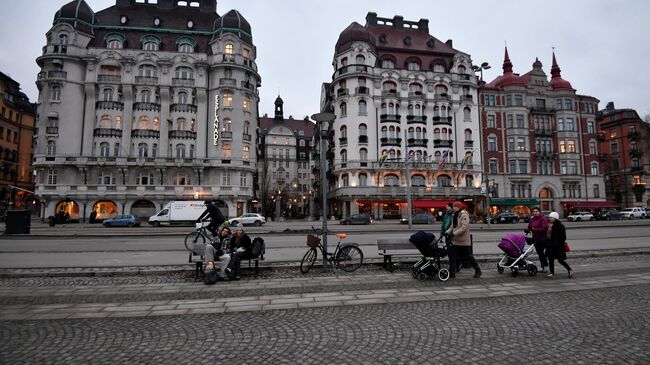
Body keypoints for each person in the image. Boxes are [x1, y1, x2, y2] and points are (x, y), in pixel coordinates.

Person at [446, 201, 481, 278]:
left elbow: (464, 227)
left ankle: (477, 270)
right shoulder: (455, 215)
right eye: (453, 206)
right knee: (453, 256)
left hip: (463, 240)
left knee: (468, 256)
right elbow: (452, 226)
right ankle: (452, 272)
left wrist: (454, 233)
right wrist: (447, 232)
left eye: (455, 207)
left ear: (458, 207)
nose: (453, 208)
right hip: (455, 240)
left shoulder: (464, 215)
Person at [545, 212, 574, 279]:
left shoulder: (560, 225)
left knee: (560, 260)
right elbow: (547, 235)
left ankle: (570, 270)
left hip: (557, 246)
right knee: (550, 260)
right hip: (550, 245)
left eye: (551, 217)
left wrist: (558, 244)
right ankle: (552, 273)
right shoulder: (549, 224)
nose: (549, 218)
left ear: (555, 218)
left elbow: (563, 237)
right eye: (549, 217)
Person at [526, 207, 549, 273]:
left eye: (536, 211)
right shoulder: (532, 219)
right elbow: (530, 226)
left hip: (543, 238)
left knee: (541, 253)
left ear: (539, 212)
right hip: (535, 238)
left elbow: (544, 229)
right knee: (539, 253)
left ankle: (546, 266)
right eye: (534, 211)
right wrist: (528, 230)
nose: (535, 213)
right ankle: (543, 266)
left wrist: (535, 229)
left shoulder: (543, 219)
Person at [439, 203, 456, 277]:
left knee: (452, 253)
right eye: (446, 207)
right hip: (446, 235)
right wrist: (441, 234)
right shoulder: (446, 215)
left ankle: (453, 269)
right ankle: (453, 267)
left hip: (452, 235)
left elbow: (452, 226)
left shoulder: (454, 215)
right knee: (449, 252)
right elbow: (443, 225)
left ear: (451, 207)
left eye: (448, 207)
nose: (446, 208)